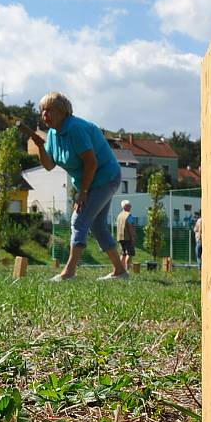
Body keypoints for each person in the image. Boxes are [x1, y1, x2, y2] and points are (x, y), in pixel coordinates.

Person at [27, 91, 127, 281]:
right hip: (89, 182)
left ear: (62, 111)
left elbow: (91, 163)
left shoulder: (75, 129)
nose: (44, 115)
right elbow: (49, 165)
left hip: (105, 177)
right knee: (97, 225)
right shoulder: (53, 134)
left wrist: (83, 192)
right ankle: (120, 271)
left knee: (79, 220)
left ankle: (69, 272)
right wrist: (40, 147)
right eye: (42, 111)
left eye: (49, 110)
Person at [115, 200, 136, 270]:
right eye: (129, 205)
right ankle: (127, 270)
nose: (131, 207)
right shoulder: (128, 215)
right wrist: (132, 237)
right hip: (128, 237)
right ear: (124, 207)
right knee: (129, 254)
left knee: (123, 254)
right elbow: (130, 226)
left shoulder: (119, 215)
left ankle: (120, 270)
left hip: (120, 238)